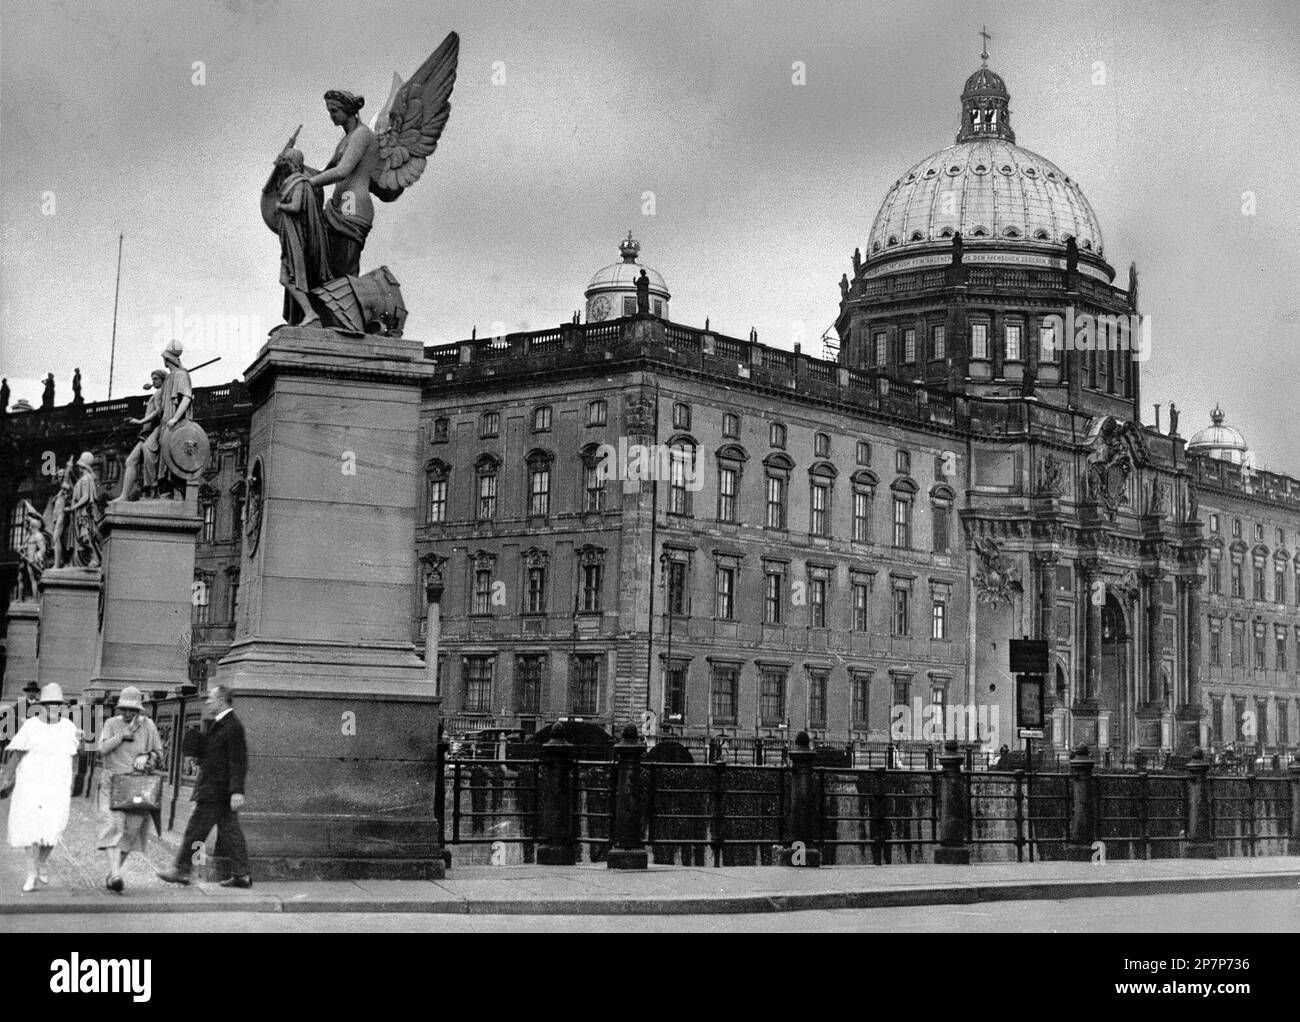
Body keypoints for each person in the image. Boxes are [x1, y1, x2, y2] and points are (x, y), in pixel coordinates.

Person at [157, 684, 250, 888]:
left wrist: (236, 791)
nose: (207, 701)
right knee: (230, 832)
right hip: (216, 789)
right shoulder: (220, 723)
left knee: (195, 829)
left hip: (216, 790)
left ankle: (180, 870)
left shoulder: (232, 725)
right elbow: (218, 755)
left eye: (211, 698)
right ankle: (241, 875)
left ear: (221, 700)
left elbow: (238, 760)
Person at [4, 684, 80, 892]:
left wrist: (73, 781)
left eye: (57, 704)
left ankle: (41, 862)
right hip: (31, 784)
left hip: (57, 785)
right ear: (42, 706)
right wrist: (6, 778)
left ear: (62, 706)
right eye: (49, 704)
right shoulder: (30, 725)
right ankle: (31, 874)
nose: (53, 708)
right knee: (31, 829)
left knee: (54, 828)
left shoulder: (68, 727)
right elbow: (17, 753)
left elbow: (75, 756)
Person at [96, 687, 163, 894]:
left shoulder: (148, 725)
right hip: (112, 782)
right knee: (113, 826)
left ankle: (112, 874)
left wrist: (148, 757)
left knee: (130, 831)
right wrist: (122, 735)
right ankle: (116, 875)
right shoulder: (111, 723)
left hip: (137, 784)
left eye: (131, 710)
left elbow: (160, 753)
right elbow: (102, 749)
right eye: (124, 709)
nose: (126, 713)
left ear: (139, 710)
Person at [309, 90, 379, 278]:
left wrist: (308, 183)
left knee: (343, 274)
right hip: (339, 208)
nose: (331, 116)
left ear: (348, 110)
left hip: (352, 208)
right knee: (327, 271)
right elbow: (323, 172)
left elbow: (342, 171)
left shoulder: (362, 134)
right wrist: (294, 167)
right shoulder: (346, 139)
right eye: (329, 111)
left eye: (334, 111)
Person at [266, 147, 330, 325]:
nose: (284, 165)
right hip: (289, 239)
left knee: (287, 278)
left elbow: (295, 206)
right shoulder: (291, 181)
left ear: (294, 164)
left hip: (296, 240)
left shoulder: (300, 183)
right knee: (285, 279)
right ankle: (309, 313)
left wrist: (280, 206)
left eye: (286, 161)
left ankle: (310, 313)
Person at [116, 370, 167, 501]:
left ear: (162, 380)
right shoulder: (157, 393)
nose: (153, 381)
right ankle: (125, 495)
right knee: (130, 461)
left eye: (156, 379)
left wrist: (140, 421)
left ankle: (148, 488)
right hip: (146, 433)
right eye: (152, 379)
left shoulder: (160, 392)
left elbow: (158, 410)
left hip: (151, 432)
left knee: (131, 460)